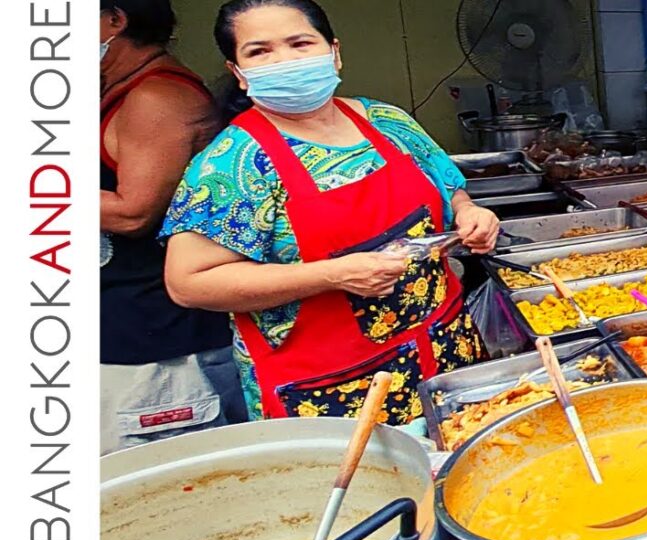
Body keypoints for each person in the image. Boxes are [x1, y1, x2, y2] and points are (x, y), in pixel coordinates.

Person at [161, 0, 498, 424]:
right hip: (331, 389)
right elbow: (189, 282)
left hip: (446, 353)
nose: (285, 60)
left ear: (334, 52)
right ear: (238, 72)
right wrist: (333, 275)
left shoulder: (386, 120)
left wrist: (471, 214)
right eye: (260, 51)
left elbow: (450, 190)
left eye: (300, 43)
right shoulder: (233, 163)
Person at [100, 0, 246, 453]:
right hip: (127, 339)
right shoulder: (117, 91)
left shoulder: (156, 97)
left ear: (115, 20)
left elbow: (134, 211)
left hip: (160, 352)